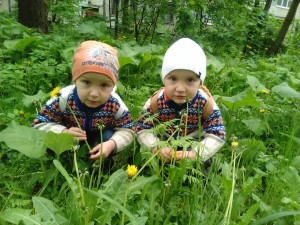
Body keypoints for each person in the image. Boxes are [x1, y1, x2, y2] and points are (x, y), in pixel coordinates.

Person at [33, 40, 135, 161]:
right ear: (75, 80)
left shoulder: (115, 104)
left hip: (99, 138)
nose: (94, 94)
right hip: (70, 137)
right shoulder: (63, 99)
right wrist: (63, 132)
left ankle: (102, 166)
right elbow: (39, 124)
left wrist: (112, 144)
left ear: (113, 85)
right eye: (86, 82)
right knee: (52, 142)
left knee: (108, 136)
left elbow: (128, 129)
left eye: (104, 85)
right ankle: (58, 162)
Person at [136, 38, 226, 165]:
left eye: (190, 80)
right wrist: (155, 147)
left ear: (200, 83)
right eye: (173, 78)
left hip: (193, 142)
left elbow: (217, 134)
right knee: (146, 160)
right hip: (164, 141)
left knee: (202, 165)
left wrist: (195, 154)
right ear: (164, 79)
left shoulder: (206, 104)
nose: (180, 89)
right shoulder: (156, 102)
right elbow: (142, 128)